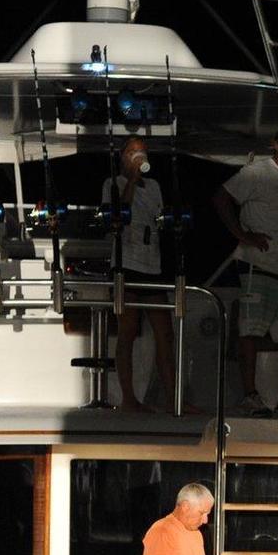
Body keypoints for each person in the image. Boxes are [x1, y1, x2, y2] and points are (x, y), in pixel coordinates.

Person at [212, 124, 278, 416]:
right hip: (257, 265)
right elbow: (221, 197)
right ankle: (250, 394)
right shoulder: (256, 172)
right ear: (277, 146)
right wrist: (243, 234)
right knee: (250, 331)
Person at [106, 135, 177, 411]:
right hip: (126, 263)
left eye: (144, 152)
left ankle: (173, 398)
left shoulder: (156, 186)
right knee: (128, 330)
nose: (140, 156)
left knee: (164, 332)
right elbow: (118, 215)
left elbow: (159, 218)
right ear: (124, 156)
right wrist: (133, 180)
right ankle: (129, 398)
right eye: (134, 152)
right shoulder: (112, 184)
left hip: (152, 264)